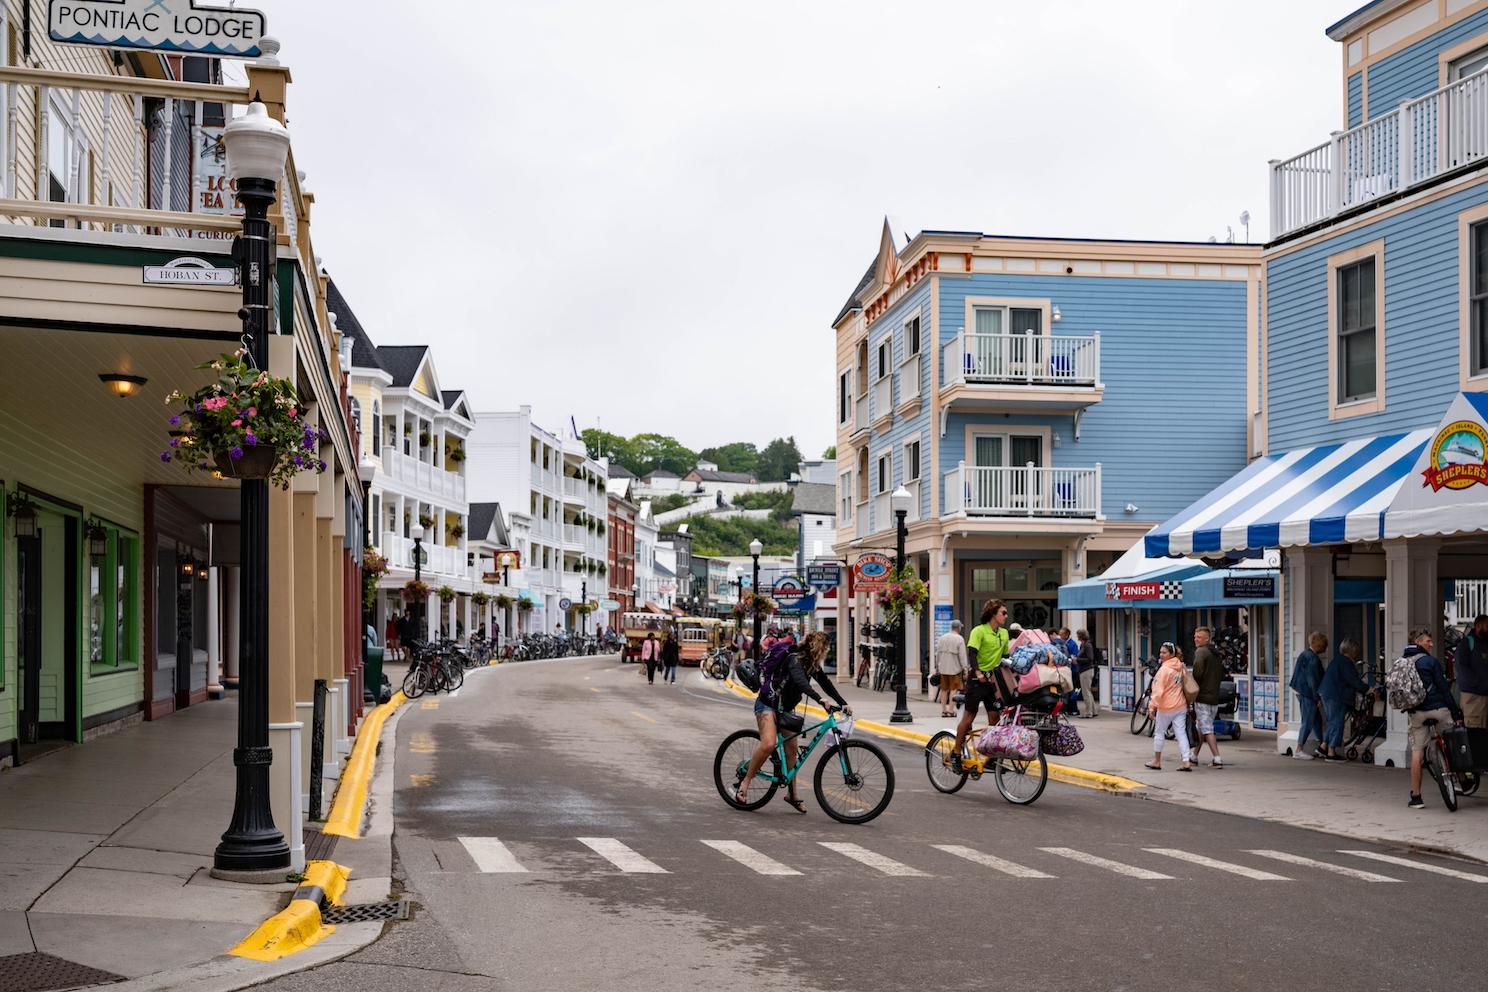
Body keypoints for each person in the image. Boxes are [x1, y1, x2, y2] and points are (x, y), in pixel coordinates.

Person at [736, 631, 851, 812]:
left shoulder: (811, 665)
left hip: (785, 710)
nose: (825, 653)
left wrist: (843, 702)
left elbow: (826, 683)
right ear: (818, 648)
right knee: (768, 744)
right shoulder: (794, 659)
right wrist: (820, 700)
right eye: (825, 649)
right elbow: (800, 682)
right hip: (767, 704)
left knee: (792, 754)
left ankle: (792, 795)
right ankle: (746, 781)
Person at [1403, 627, 1464, 809]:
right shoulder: (1430, 662)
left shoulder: (1403, 662)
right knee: (1451, 742)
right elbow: (1444, 690)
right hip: (1439, 710)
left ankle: (1416, 797)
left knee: (1417, 753)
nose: (1431, 643)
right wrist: (1456, 712)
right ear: (1418, 642)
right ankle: (1458, 780)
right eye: (1428, 641)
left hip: (1416, 713)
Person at [952, 600, 1011, 771]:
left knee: (995, 718)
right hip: (978, 681)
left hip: (993, 682)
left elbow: (1005, 657)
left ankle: (991, 757)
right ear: (993, 614)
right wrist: (977, 672)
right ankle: (956, 753)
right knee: (969, 716)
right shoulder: (979, 631)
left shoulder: (1004, 634)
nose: (1006, 616)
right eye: (1003, 613)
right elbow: (972, 654)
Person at [1145, 641, 1194, 771]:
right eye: (1160, 652)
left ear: (1171, 654)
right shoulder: (1180, 667)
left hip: (1166, 707)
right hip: (1181, 705)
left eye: (1164, 652)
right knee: (1181, 734)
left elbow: (1158, 691)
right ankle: (1186, 761)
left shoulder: (1164, 670)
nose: (1161, 655)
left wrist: (1152, 707)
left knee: (1159, 733)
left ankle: (1157, 761)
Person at [1320, 638, 1369, 760]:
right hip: (1336, 696)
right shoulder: (1346, 662)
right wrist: (1367, 689)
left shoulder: (1337, 660)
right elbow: (1353, 680)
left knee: (1332, 722)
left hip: (1327, 693)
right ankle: (1331, 752)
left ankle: (1323, 746)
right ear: (1352, 651)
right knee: (1337, 723)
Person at [1289, 632, 1327, 759]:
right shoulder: (1314, 659)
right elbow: (1313, 680)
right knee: (1308, 721)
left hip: (1300, 690)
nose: (1326, 648)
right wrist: (1317, 698)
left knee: (1316, 720)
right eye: (1324, 645)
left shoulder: (1304, 654)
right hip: (1308, 693)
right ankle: (1299, 749)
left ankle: (1322, 746)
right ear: (1318, 645)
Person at [1191, 626, 1224, 767]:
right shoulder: (1215, 653)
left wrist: (1192, 685)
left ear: (1206, 639)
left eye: (1199, 637)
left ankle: (1217, 758)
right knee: (1202, 727)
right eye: (1195, 636)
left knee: (1207, 729)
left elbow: (1197, 672)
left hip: (1203, 697)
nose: (1195, 639)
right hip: (1214, 697)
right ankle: (1193, 755)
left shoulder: (1201, 652)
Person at [1453, 613, 1488, 729]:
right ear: (1478, 626)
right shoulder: (1466, 644)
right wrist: (1479, 683)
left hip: (1484, 694)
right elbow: (1461, 668)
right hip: (1473, 697)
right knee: (1475, 733)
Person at [934, 620, 967, 718]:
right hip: (955, 669)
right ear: (958, 628)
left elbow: (938, 654)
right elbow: (962, 656)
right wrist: (965, 668)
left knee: (944, 689)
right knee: (954, 689)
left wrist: (937, 667)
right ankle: (951, 710)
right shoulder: (959, 639)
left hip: (943, 668)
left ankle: (944, 710)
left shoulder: (942, 638)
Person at [1076, 629, 1099, 719]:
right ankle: (1093, 711)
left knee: (1086, 692)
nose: (1077, 636)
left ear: (1081, 636)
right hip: (1084, 670)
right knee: (1088, 691)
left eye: (1078, 635)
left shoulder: (1087, 645)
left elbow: (1090, 658)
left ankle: (1088, 712)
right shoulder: (1083, 645)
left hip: (1086, 670)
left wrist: (1077, 659)